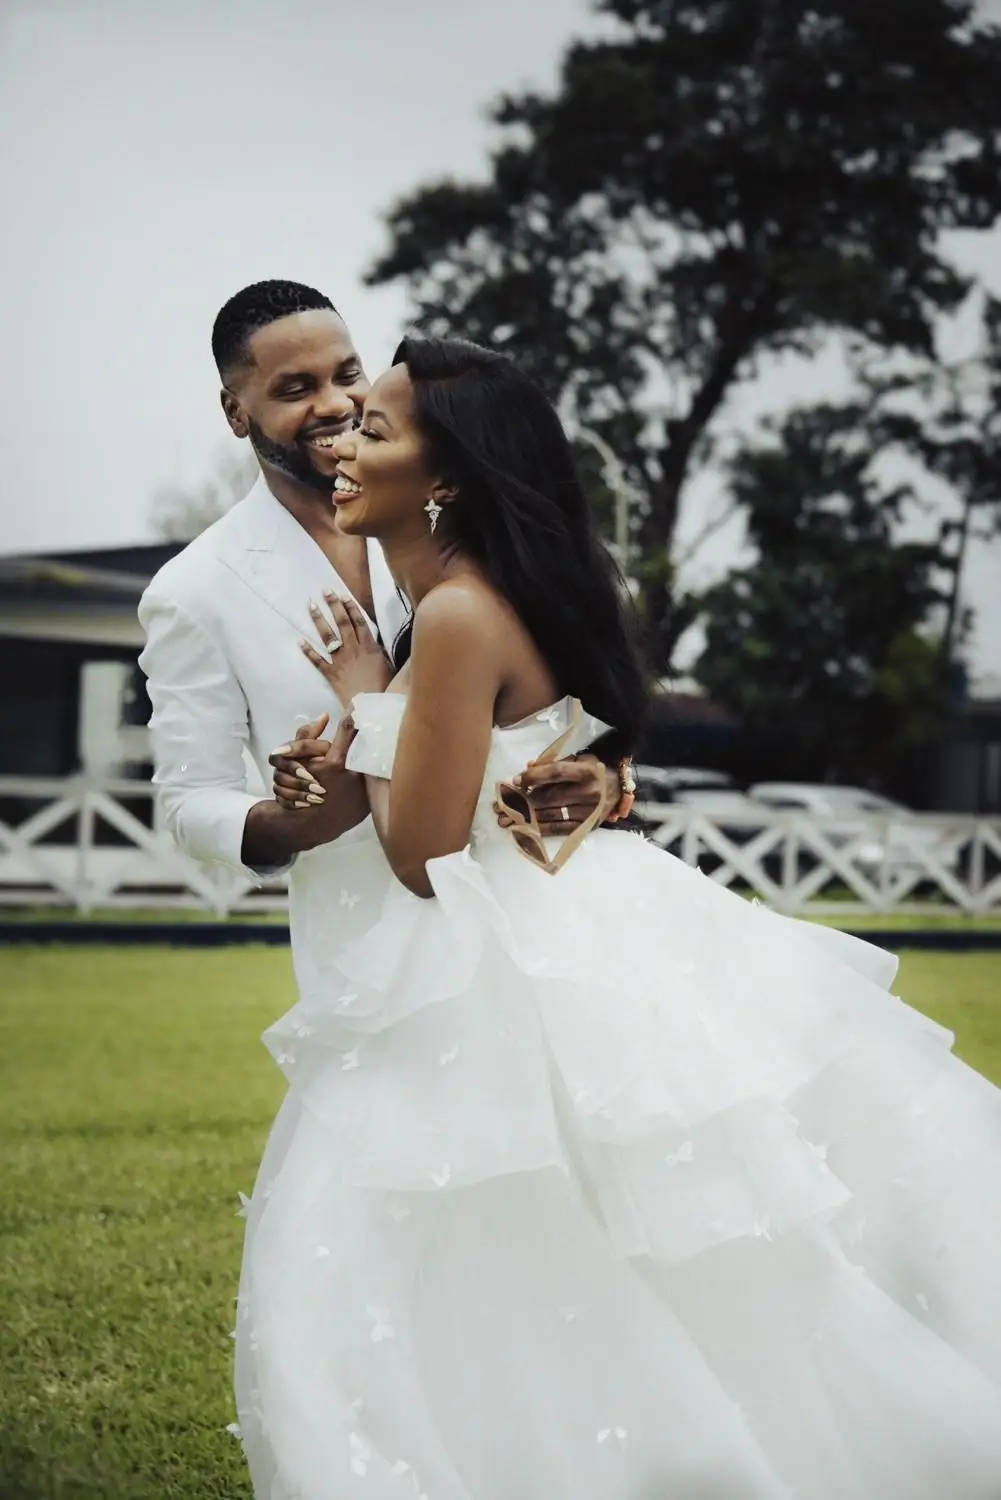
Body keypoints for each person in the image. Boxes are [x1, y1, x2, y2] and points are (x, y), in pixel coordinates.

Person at [232, 336, 1001, 1499]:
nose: (342, 442)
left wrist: (363, 704)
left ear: (444, 481)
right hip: (590, 911)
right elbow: (555, 778)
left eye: (374, 429)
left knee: (500, 1227)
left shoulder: (450, 617)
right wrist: (355, 751)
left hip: (505, 941)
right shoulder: (488, 597)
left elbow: (423, 853)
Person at [138, 282, 614, 1004]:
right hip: (365, 939)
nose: (333, 404)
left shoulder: (460, 543)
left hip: (529, 913)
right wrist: (285, 820)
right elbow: (189, 799)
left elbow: (561, 700)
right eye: (295, 387)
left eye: (346, 374)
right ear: (237, 412)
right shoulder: (194, 589)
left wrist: (607, 777)